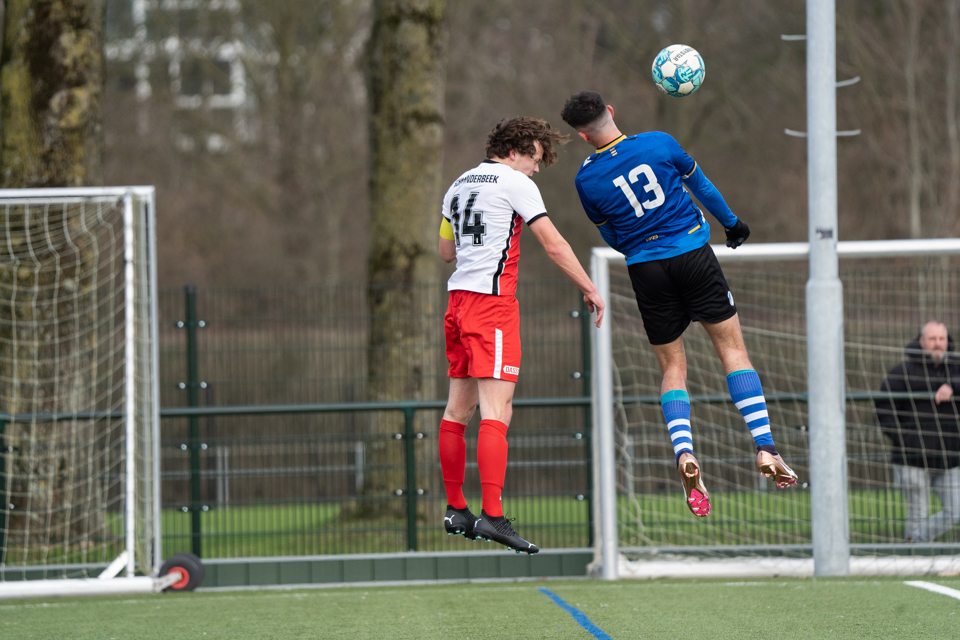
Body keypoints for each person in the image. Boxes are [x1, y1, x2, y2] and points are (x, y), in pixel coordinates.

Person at [559, 91, 797, 518]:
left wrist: (638, 241)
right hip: (692, 254)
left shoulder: (585, 180)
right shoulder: (659, 142)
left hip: (646, 270)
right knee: (732, 351)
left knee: (672, 368)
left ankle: (684, 452)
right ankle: (765, 447)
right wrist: (732, 224)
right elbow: (701, 187)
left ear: (580, 134)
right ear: (611, 111)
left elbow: (611, 237)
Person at [437, 116, 605, 554]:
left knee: (457, 410)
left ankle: (456, 509)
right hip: (490, 306)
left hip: (456, 303)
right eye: (535, 158)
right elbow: (553, 243)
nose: (536, 169)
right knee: (498, 409)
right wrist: (589, 287)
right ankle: (492, 517)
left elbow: (445, 251)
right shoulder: (514, 182)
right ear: (517, 149)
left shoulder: (457, 185)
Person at [875, 320, 960, 542]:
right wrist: (905, 440)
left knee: (955, 512)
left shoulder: (956, 368)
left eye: (942, 339)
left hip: (949, 458)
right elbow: (884, 409)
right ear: (921, 341)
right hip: (912, 458)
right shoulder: (902, 372)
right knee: (917, 514)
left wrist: (952, 386)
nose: (938, 344)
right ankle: (914, 560)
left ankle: (914, 542)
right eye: (932, 339)